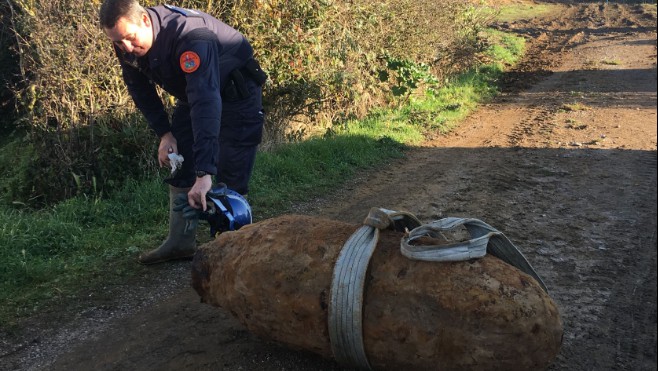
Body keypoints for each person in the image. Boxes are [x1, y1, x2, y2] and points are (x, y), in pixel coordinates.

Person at [99, 0, 266, 264]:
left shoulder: (191, 36)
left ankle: (234, 256)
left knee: (230, 175)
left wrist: (205, 173)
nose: (126, 48)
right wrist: (165, 134)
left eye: (129, 39)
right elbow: (140, 91)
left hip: (237, 95)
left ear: (144, 20)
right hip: (195, 95)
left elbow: (206, 102)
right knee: (180, 161)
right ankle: (180, 243)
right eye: (119, 42)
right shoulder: (125, 41)